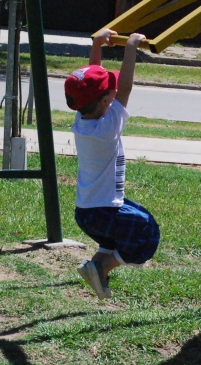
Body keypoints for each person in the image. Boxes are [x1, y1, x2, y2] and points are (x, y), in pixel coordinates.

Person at [66, 28, 160, 300]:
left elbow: (92, 79)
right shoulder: (108, 128)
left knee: (123, 227)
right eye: (110, 93)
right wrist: (131, 48)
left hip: (88, 212)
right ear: (106, 100)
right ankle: (102, 266)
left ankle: (96, 269)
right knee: (146, 231)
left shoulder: (82, 120)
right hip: (102, 210)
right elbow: (125, 88)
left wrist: (97, 45)